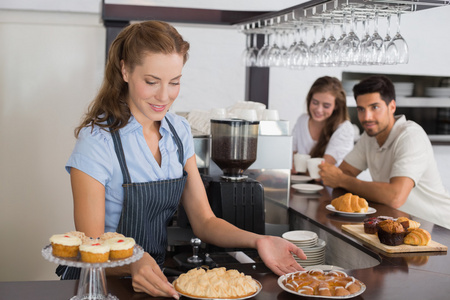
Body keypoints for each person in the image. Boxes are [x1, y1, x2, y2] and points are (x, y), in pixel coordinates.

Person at [61, 20, 306, 298]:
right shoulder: (98, 141)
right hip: (99, 285)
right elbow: (91, 247)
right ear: (125, 70)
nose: (164, 96)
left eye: (174, 82)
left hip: (154, 281)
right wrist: (133, 260)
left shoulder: (178, 132)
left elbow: (204, 220)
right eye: (151, 82)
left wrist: (259, 240)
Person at [319, 75, 450, 229]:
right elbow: (345, 171)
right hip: (400, 225)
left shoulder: (410, 136)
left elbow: (395, 197)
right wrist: (342, 178)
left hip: (439, 229)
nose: (367, 117)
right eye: (361, 109)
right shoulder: (369, 137)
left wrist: (342, 180)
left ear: (392, 107)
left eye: (374, 107)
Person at [292, 76, 354, 173]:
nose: (319, 110)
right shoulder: (302, 120)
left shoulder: (344, 129)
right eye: (315, 102)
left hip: (331, 187)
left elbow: (321, 170)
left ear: (336, 106)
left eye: (326, 106)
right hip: (302, 183)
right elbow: (291, 157)